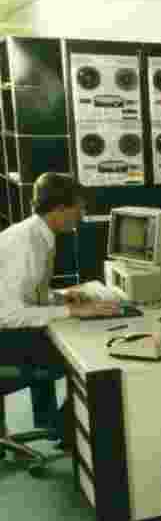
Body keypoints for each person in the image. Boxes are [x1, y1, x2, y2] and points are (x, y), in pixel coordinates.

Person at [0, 173, 122, 438]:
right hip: (4, 339)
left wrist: (59, 297)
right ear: (59, 209)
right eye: (79, 207)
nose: (82, 214)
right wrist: (73, 310)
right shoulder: (28, 246)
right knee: (89, 358)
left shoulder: (36, 233)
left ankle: (60, 427)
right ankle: (65, 429)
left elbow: (27, 293)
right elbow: (8, 314)